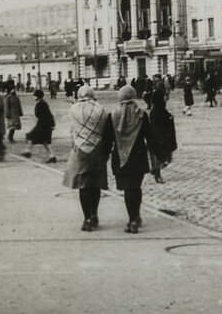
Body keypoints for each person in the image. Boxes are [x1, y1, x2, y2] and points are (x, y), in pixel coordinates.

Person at [101, 86, 162, 234]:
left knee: (128, 189)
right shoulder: (141, 114)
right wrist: (160, 154)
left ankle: (132, 219)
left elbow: (107, 140)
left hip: (121, 158)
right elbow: (151, 137)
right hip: (138, 157)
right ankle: (136, 217)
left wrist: (103, 156)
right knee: (136, 187)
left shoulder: (113, 115)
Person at [62, 86, 108, 231]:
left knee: (84, 186)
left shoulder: (73, 109)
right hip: (97, 150)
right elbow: (104, 130)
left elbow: (72, 131)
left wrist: (74, 145)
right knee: (96, 184)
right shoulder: (101, 109)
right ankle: (94, 214)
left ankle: (87, 218)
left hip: (80, 151)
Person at [148, 89, 177, 184]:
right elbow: (156, 127)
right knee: (160, 158)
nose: (166, 98)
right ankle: (157, 174)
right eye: (164, 96)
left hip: (166, 138)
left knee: (167, 158)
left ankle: (155, 170)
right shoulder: (155, 111)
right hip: (160, 139)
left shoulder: (162, 109)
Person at [21, 89, 56, 163]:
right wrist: (52, 124)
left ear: (38, 96)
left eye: (34, 95)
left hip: (43, 124)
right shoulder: (43, 103)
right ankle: (52, 156)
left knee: (31, 136)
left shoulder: (40, 104)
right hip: (45, 124)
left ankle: (28, 151)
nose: (33, 97)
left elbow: (44, 114)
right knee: (45, 141)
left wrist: (51, 124)